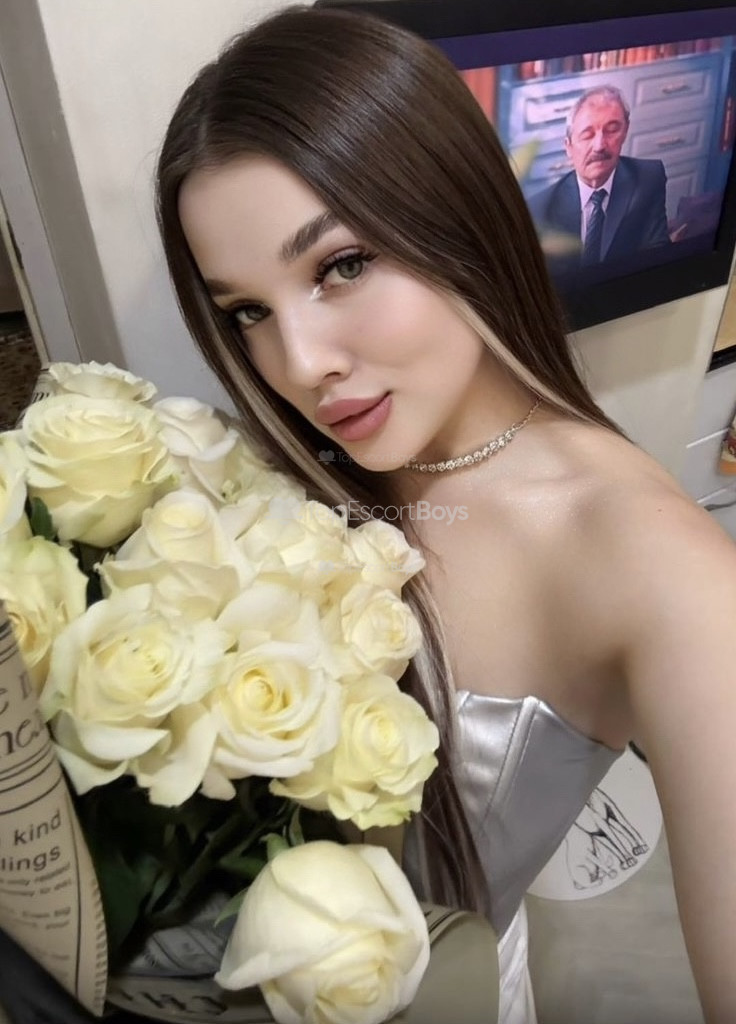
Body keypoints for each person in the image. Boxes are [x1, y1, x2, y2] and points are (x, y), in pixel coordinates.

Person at [155, 7, 736, 1023]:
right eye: (247, 311)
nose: (300, 364)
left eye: (340, 265)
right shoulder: (281, 466)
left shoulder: (654, 564)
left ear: (461, 212)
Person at [527, 85, 671, 272]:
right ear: (568, 147)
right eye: (587, 135)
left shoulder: (649, 178)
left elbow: (657, 257)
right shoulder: (540, 208)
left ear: (625, 132)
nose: (599, 146)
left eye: (612, 130)